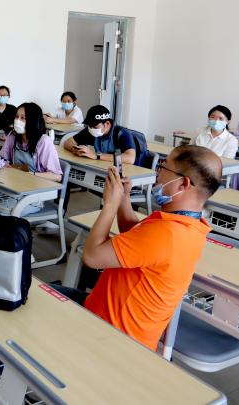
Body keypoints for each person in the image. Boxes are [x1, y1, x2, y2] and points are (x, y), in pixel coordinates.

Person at [72, 145, 222, 351]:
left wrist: (110, 204)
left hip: (111, 336)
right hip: (114, 322)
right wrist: (124, 198)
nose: (157, 173)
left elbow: (91, 256)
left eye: (163, 167)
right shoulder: (188, 224)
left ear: (183, 184)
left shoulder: (165, 233)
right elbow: (135, 237)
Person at [0, 102, 62, 217]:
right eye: (16, 117)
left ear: (33, 120)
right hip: (13, 187)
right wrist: (4, 164)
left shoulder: (43, 141)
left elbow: (57, 176)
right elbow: (2, 159)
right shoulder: (13, 136)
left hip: (33, 195)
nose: (17, 121)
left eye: (22, 118)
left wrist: (31, 175)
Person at [64, 105, 136, 165]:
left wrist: (97, 155)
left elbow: (130, 158)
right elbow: (68, 143)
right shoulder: (90, 130)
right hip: (104, 166)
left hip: (127, 170)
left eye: (95, 126)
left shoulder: (122, 133)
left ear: (107, 124)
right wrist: (77, 150)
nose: (91, 128)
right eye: (90, 125)